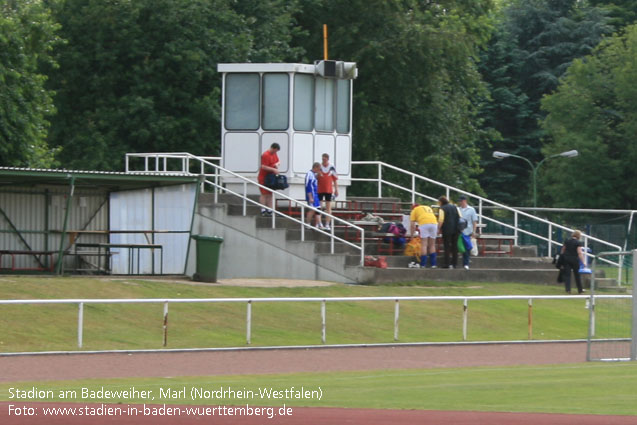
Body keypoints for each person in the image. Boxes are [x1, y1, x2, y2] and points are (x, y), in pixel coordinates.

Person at [409, 203, 438, 268]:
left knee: (424, 244)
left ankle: (423, 264)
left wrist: (411, 236)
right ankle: (433, 264)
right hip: (434, 223)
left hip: (424, 223)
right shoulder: (427, 207)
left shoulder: (414, 210)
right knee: (432, 245)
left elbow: (412, 225)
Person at [560, 230, 587, 294]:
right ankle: (580, 290)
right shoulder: (578, 242)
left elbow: (563, 250)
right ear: (578, 236)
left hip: (566, 259)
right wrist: (583, 262)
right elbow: (579, 253)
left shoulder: (567, 241)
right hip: (574, 260)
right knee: (577, 275)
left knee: (567, 275)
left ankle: (568, 289)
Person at [317, 153, 339, 231]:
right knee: (319, 206)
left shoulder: (331, 167)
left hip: (328, 189)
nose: (323, 161)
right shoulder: (319, 166)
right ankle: (318, 223)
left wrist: (336, 189)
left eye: (325, 159)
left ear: (327, 159)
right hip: (319, 189)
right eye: (322, 159)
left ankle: (327, 224)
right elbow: (315, 177)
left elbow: (335, 179)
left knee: (328, 207)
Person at [258, 143, 281, 216]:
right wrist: (273, 169)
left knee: (270, 193)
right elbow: (263, 166)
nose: (275, 153)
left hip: (270, 177)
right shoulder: (266, 154)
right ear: (273, 148)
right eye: (275, 151)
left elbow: (278, 161)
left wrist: (277, 165)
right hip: (263, 177)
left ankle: (270, 209)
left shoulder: (274, 154)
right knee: (264, 194)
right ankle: (263, 209)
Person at [437, 196, 459, 269]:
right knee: (454, 246)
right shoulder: (455, 207)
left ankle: (447, 263)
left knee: (447, 247)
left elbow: (441, 220)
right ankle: (455, 263)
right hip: (456, 229)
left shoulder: (442, 209)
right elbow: (460, 217)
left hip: (447, 230)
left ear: (441, 202)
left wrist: (438, 229)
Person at [458, 195, 478, 270]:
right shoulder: (458, 209)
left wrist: (474, 231)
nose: (460, 202)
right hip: (460, 231)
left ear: (465, 201)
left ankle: (466, 263)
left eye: (461, 201)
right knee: (461, 247)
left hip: (468, 230)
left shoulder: (471, 209)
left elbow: (474, 221)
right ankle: (464, 262)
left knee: (467, 248)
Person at [305, 162, 322, 228]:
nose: (319, 170)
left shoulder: (314, 174)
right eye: (319, 169)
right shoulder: (309, 174)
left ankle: (319, 224)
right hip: (312, 195)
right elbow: (308, 186)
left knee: (318, 208)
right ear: (316, 167)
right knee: (312, 209)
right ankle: (308, 223)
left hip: (315, 194)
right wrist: (310, 197)